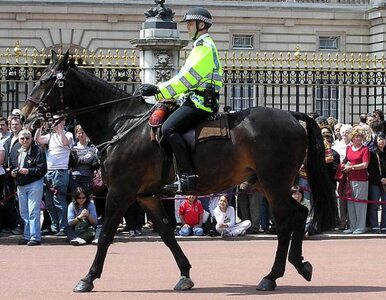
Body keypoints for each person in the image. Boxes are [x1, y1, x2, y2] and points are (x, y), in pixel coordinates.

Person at [141, 7, 223, 193]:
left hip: (201, 102)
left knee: (169, 128)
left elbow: (186, 80)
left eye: (190, 23)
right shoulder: (199, 47)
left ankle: (188, 176)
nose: (187, 27)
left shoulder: (205, 48)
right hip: (192, 98)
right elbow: (184, 80)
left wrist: (158, 90)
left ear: (201, 25)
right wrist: (169, 96)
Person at [34, 117, 74, 235]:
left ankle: (63, 227)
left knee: (59, 200)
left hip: (60, 172)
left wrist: (60, 128)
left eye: (58, 120)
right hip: (49, 172)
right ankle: (55, 227)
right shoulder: (51, 136)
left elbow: (65, 142)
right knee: (49, 202)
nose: (55, 122)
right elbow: (38, 140)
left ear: (64, 122)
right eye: (54, 120)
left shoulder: (68, 134)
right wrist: (40, 127)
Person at [9, 129, 47, 246]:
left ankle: (35, 237)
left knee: (33, 211)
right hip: (20, 184)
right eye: (22, 138)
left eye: (27, 138)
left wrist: (28, 171)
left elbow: (42, 169)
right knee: (23, 212)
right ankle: (26, 236)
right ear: (19, 140)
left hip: (34, 183)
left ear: (31, 139)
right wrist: (12, 173)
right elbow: (11, 166)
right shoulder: (15, 150)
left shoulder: (38, 151)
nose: (25, 140)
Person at [342, 126, 370, 234]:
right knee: (350, 203)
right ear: (352, 138)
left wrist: (352, 167)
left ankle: (360, 227)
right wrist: (345, 165)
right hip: (350, 179)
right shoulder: (348, 148)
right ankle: (352, 226)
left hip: (361, 180)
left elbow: (365, 164)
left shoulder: (365, 149)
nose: (358, 139)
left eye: (360, 137)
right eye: (356, 137)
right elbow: (346, 160)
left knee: (360, 204)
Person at [69, 125, 99, 194]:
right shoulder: (73, 146)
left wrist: (76, 159)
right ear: (76, 134)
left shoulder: (91, 146)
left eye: (83, 132)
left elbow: (88, 159)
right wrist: (75, 159)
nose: (81, 134)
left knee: (85, 197)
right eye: (79, 133)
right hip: (73, 176)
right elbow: (71, 160)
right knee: (74, 197)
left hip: (86, 176)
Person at [367, 132, 386, 233]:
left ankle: (384, 226)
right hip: (375, 182)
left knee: (385, 205)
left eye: (383, 139)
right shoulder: (372, 153)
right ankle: (374, 226)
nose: (382, 141)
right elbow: (371, 169)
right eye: (379, 139)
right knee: (374, 204)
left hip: (385, 182)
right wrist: (380, 179)